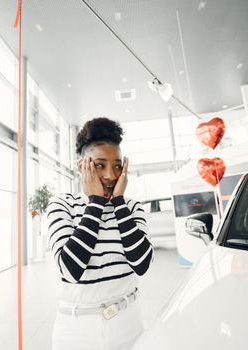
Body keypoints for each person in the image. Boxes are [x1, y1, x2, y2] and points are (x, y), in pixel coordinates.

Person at [46, 117, 154, 350]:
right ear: (82, 165)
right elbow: (70, 269)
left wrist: (118, 202)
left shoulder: (132, 207)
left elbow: (142, 264)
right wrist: (94, 203)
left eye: (117, 166)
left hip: (128, 322)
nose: (110, 175)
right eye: (99, 164)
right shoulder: (61, 205)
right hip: (75, 329)